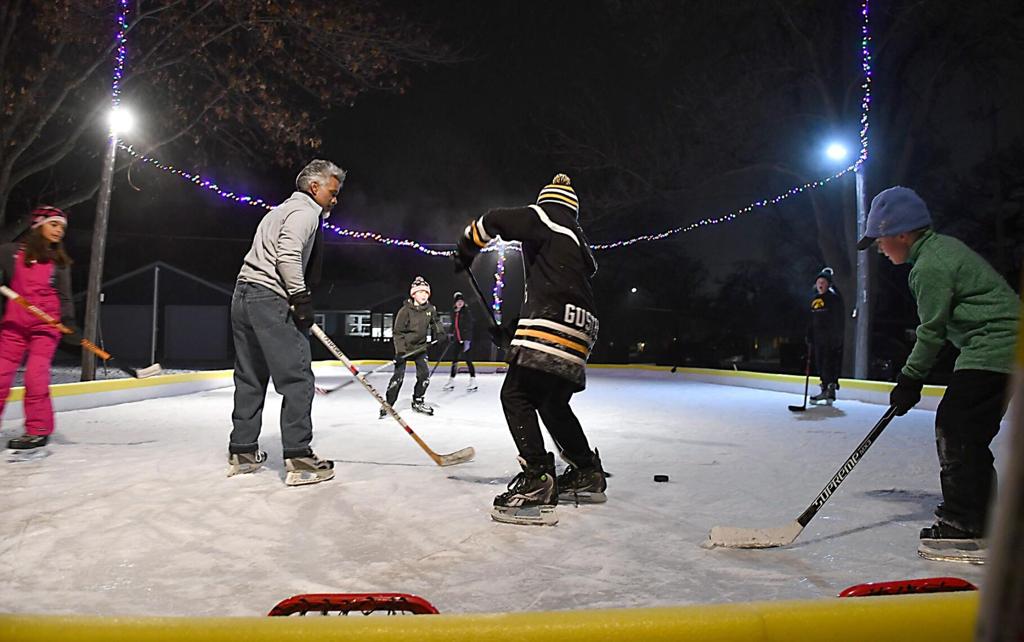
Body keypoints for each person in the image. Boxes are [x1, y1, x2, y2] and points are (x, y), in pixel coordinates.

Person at [858, 186, 1019, 555]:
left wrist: (910, 379)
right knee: (965, 430)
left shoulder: (929, 266)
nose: (880, 250)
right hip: (1000, 346)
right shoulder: (940, 251)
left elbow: (931, 332)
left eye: (881, 240)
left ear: (903, 234)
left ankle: (968, 524)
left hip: (995, 346)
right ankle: (983, 519)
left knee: (957, 428)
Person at [456, 173, 605, 526]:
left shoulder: (547, 216)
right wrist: (512, 331)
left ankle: (538, 479)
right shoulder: (575, 242)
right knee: (552, 401)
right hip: (580, 327)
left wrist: (467, 246)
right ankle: (587, 471)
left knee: (516, 394)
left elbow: (494, 219)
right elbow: (556, 288)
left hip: (554, 325)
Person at [228, 159, 344, 486]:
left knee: (250, 375)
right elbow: (287, 255)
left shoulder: (276, 211)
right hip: (269, 296)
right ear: (314, 187)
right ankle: (299, 456)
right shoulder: (306, 212)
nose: (335, 199)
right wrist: (300, 297)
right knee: (297, 377)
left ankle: (243, 451)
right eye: (332, 192)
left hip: (243, 294)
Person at [0, 206, 74, 457]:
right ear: (38, 224)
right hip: (15, 323)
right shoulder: (11, 252)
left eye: (62, 227)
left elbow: (64, 297)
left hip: (46, 325)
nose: (59, 231)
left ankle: (38, 429)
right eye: (54, 224)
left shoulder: (59, 263)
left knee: (35, 376)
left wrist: (69, 322)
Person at [384, 276, 443, 417]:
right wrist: (400, 352)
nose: (423, 295)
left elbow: (436, 322)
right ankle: (389, 403)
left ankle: (418, 400)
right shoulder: (405, 311)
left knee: (424, 376)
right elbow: (397, 333)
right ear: (413, 294)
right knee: (398, 378)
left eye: (426, 293)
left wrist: (440, 332)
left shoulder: (430, 309)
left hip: (420, 348)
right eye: (420, 292)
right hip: (404, 348)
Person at [806, 267, 845, 405]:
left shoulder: (833, 299)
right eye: (818, 282)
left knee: (829, 363)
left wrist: (836, 337)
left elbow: (838, 319)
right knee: (820, 364)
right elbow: (811, 320)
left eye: (823, 282)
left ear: (828, 284)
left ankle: (830, 388)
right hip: (818, 339)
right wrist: (809, 335)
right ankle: (825, 388)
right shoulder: (814, 300)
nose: (820, 284)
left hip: (830, 338)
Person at [442, 291, 477, 392]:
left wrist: (467, 340)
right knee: (454, 361)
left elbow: (469, 327)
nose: (460, 303)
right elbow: (454, 325)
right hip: (457, 340)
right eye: (458, 301)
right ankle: (451, 381)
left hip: (465, 340)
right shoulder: (454, 312)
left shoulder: (466, 312)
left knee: (468, 360)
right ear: (455, 303)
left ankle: (473, 381)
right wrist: (450, 334)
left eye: (461, 301)